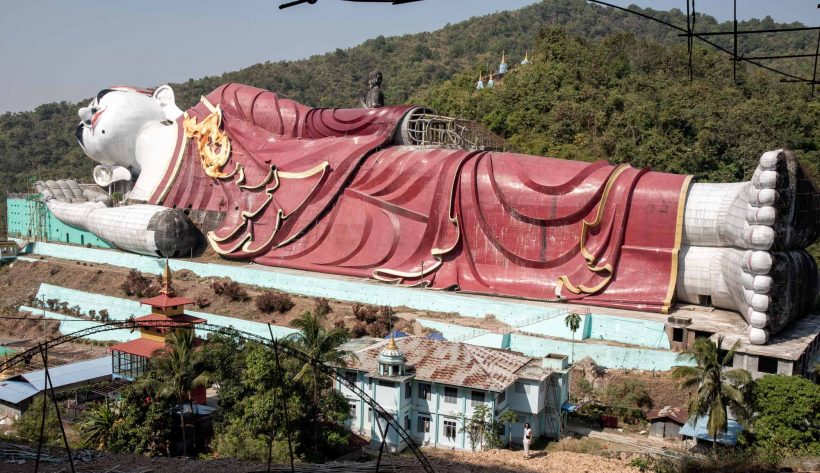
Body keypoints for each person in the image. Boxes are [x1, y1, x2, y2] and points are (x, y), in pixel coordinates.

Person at [48, 83, 819, 345]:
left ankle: (722, 206)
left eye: (96, 99)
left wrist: (379, 121)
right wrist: (88, 214)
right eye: (82, 118)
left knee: (497, 182)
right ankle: (721, 275)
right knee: (504, 266)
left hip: (365, 175)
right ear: (103, 165)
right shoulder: (150, 200)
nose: (88, 109)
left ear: (154, 96)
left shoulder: (223, 107)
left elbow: (315, 124)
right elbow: (170, 236)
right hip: (332, 250)